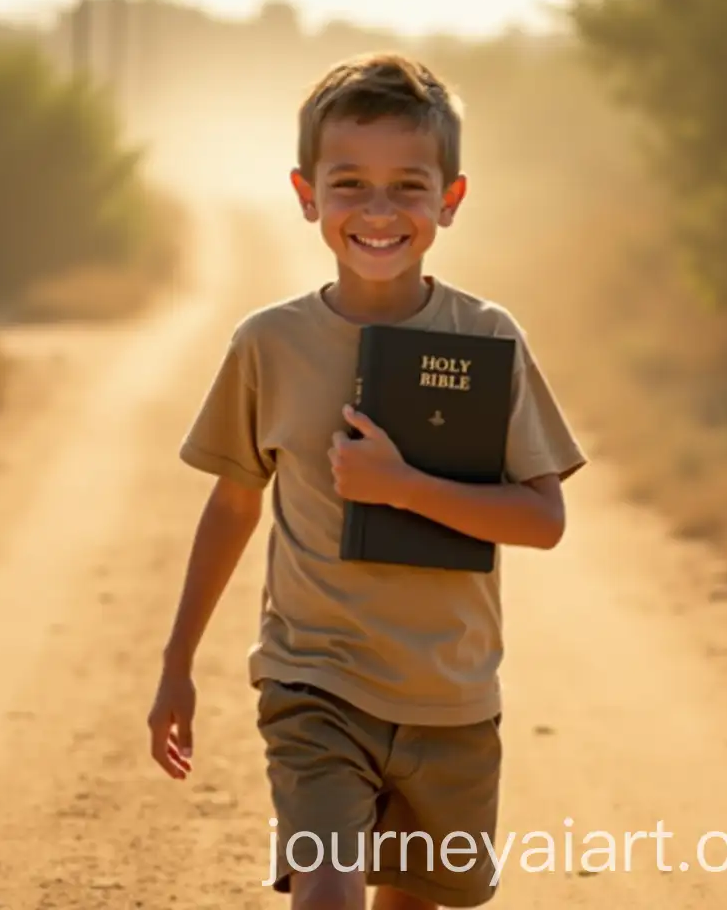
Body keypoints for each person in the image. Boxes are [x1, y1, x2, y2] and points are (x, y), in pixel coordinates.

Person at [147, 52, 586, 910]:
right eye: (349, 184)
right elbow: (234, 500)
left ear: (449, 201)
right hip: (313, 684)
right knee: (327, 890)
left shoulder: (488, 338)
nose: (378, 212)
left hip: (451, 697)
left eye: (408, 188)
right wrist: (176, 664)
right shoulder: (267, 344)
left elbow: (544, 519)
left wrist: (403, 485)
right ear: (306, 192)